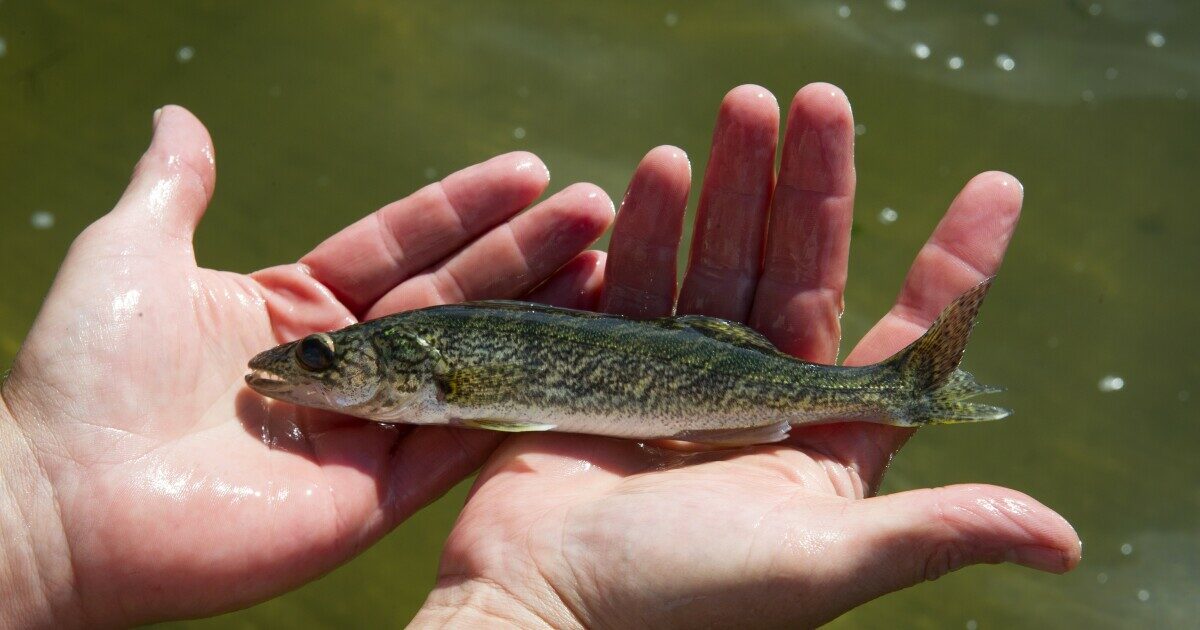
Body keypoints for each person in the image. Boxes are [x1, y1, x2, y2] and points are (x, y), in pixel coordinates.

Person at [0, 83, 1080, 628]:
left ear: (408, 367)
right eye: (324, 361)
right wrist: (39, 519)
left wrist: (45, 527)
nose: (300, 370)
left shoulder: (438, 368)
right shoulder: (421, 375)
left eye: (326, 361)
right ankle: (901, 392)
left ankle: (907, 390)